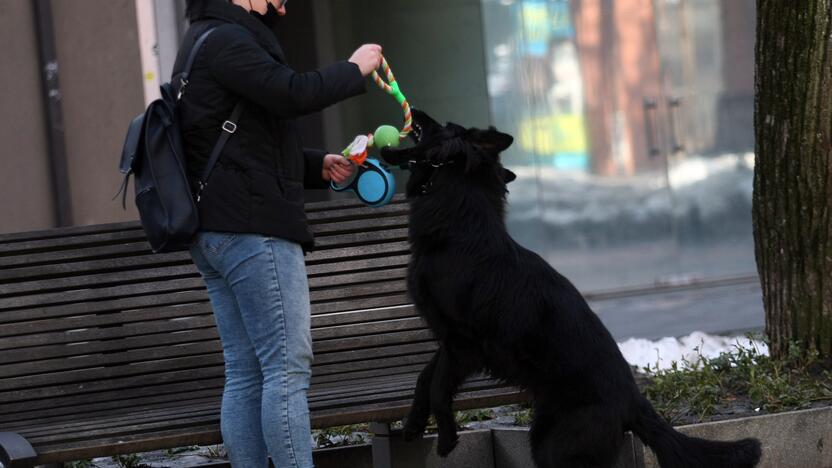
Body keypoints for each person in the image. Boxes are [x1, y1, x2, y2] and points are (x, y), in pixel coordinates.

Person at [175, 1, 382, 466]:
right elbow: (291, 93)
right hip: (252, 229)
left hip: (220, 228)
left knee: (247, 371)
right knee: (285, 370)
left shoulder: (203, 40)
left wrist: (315, 164)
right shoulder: (228, 41)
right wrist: (353, 69)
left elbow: (246, 137)